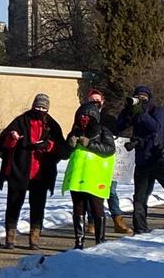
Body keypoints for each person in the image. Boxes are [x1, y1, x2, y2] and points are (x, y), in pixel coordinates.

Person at [0, 93, 68, 250]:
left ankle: (34, 238)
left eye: (43, 107)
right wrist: (12, 138)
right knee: (14, 203)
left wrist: (48, 146)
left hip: (42, 172)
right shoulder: (20, 121)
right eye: (37, 106)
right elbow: (2, 145)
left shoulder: (52, 125)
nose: (40, 109)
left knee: (38, 206)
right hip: (20, 169)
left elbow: (63, 150)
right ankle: (10, 237)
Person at [64, 100, 116, 249]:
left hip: (95, 176)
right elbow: (64, 153)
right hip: (77, 176)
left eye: (87, 116)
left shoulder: (103, 131)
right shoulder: (75, 131)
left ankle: (100, 240)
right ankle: (79, 241)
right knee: (78, 208)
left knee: (96, 207)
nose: (84, 119)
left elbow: (109, 149)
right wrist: (69, 145)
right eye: (81, 116)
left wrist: (90, 144)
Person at [116, 85, 164, 235]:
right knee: (140, 197)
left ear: (149, 98)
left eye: (144, 97)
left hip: (158, 158)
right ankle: (140, 229)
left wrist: (142, 113)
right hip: (142, 160)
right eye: (138, 97)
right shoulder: (134, 111)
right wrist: (127, 112)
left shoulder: (157, 111)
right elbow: (119, 127)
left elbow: (157, 128)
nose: (141, 100)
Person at [88, 89, 133, 235]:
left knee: (111, 191)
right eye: (92, 100)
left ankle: (117, 221)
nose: (95, 103)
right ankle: (92, 222)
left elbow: (117, 137)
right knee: (91, 192)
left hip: (108, 160)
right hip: (91, 160)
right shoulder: (84, 118)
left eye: (97, 100)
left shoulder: (109, 118)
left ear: (103, 101)